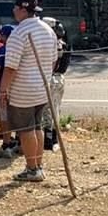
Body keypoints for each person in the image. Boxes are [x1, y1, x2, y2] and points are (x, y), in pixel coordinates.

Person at [0, 0, 58, 182]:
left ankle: (32, 168)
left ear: (22, 9)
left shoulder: (19, 33)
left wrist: (3, 90)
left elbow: (10, 67)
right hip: (42, 87)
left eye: (15, 8)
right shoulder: (48, 30)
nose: (14, 11)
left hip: (23, 89)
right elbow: (55, 59)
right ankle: (37, 165)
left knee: (26, 130)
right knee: (37, 127)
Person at [0, 25, 18, 158]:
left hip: (4, 87)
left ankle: (6, 144)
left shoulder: (2, 50)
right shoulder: (20, 49)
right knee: (20, 115)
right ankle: (20, 142)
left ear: (5, 36)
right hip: (19, 88)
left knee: (4, 116)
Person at [43, 18, 70, 152]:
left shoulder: (54, 44)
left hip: (52, 77)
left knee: (48, 110)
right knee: (56, 109)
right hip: (60, 78)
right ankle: (53, 138)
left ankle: (49, 139)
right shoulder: (62, 43)